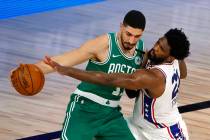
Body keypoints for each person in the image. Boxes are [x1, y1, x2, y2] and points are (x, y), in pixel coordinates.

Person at [12, 10, 147, 140]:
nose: (131, 40)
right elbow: (64, 60)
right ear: (121, 27)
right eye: (128, 34)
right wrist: (32, 69)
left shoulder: (141, 51)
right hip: (85, 107)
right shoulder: (103, 44)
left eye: (137, 36)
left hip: (111, 114)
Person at [44, 28, 190, 140]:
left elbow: (108, 79)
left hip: (162, 134)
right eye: (158, 42)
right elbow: (183, 73)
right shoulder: (176, 61)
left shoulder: (154, 77)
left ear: (171, 56)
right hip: (145, 126)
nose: (155, 47)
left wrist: (66, 70)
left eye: (161, 49)